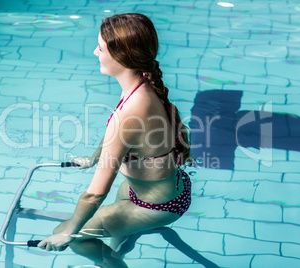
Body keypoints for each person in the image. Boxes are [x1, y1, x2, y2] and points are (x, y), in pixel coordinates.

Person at [38, 13, 192, 267]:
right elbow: (119, 137)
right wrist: (94, 158)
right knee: (116, 214)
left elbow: (94, 195)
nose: (95, 51)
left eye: (100, 47)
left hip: (159, 205)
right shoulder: (144, 83)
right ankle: (119, 248)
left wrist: (69, 233)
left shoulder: (130, 114)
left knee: (69, 233)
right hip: (164, 188)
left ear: (122, 56)